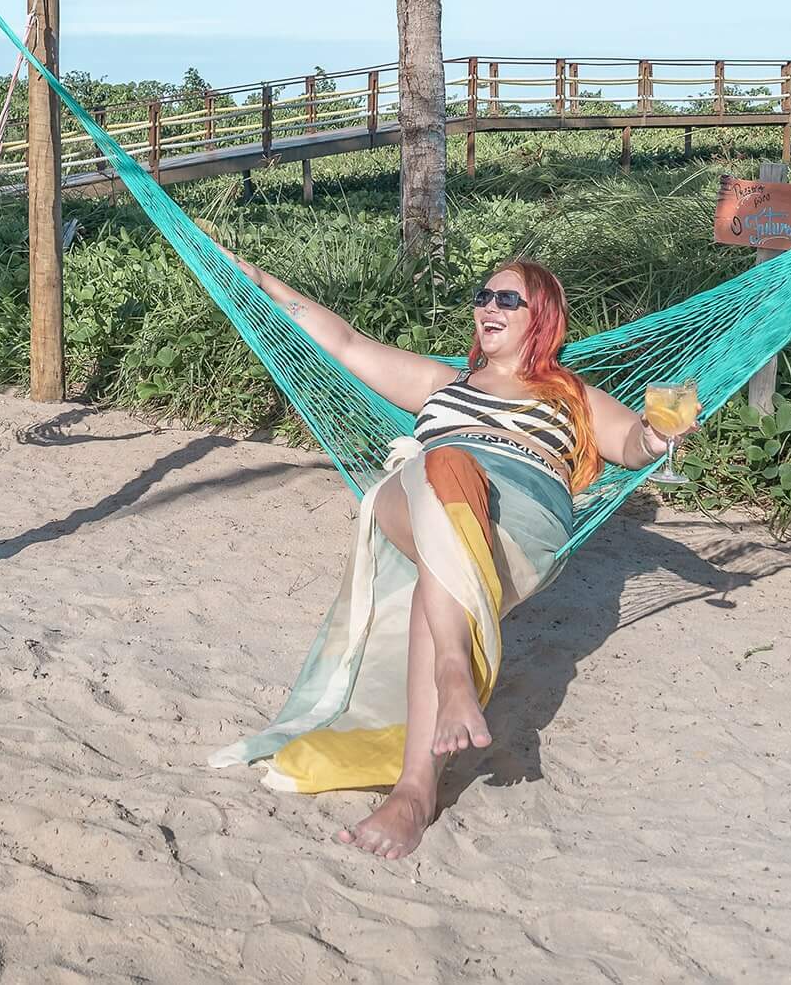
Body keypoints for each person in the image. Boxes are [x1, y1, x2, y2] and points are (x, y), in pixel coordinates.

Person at [208, 253, 675, 859]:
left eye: (509, 299)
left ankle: (414, 791)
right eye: (484, 297)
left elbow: (633, 445)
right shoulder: (441, 384)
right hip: (424, 493)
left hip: (519, 522)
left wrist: (659, 433)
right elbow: (346, 343)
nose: (489, 307)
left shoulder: (572, 396)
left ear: (544, 318)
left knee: (441, 540)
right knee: (438, 464)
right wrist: (259, 280)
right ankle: (453, 675)